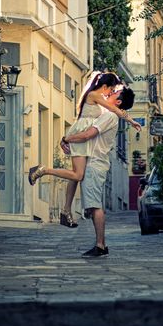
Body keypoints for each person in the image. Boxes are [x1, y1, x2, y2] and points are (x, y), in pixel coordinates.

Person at [27, 72, 139, 228]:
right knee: (78, 174)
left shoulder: (99, 98)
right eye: (112, 89)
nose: (111, 93)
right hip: (81, 136)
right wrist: (132, 121)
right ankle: (42, 170)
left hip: (85, 138)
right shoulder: (95, 95)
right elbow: (116, 110)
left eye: (114, 91)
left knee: (75, 176)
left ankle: (66, 211)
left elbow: (115, 110)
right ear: (105, 86)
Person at [65, 81, 135, 258]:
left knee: (95, 206)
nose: (109, 94)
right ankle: (100, 243)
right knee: (93, 204)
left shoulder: (109, 116)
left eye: (113, 94)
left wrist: (67, 139)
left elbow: (89, 134)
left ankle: (100, 245)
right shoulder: (110, 114)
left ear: (117, 101)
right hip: (95, 163)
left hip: (95, 164)